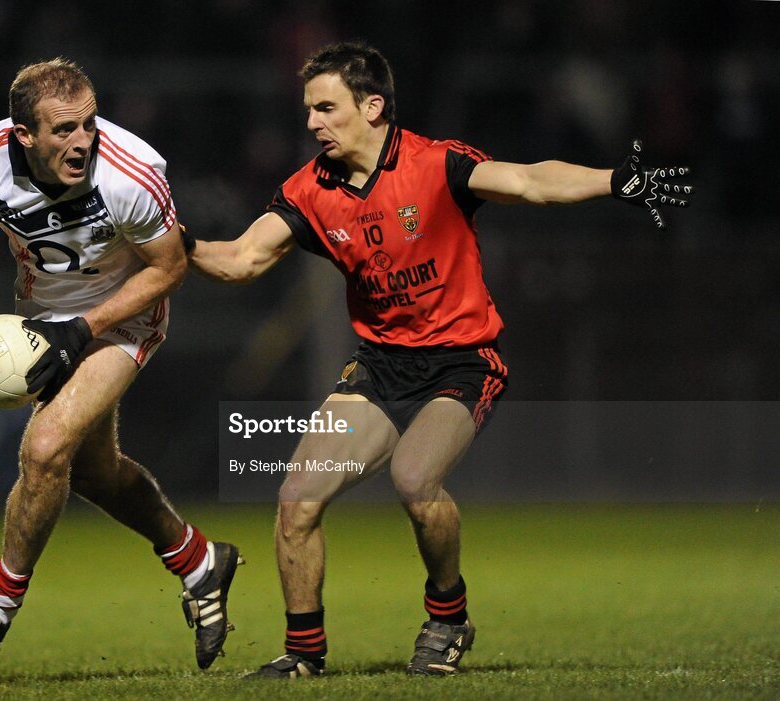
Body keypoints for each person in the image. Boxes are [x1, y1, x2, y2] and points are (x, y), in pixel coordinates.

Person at [189, 42, 691, 678]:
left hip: (461, 363)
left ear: (372, 107)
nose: (312, 122)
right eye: (309, 109)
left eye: (325, 107)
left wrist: (616, 181)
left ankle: (447, 615)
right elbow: (242, 259)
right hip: (380, 368)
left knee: (415, 479)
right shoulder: (310, 189)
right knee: (297, 498)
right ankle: (305, 655)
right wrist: (172, 241)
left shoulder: (434, 164)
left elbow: (530, 181)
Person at [0, 58, 241, 671]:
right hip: (42, 320)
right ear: (24, 135)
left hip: (124, 316)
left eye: (89, 124)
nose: (82, 141)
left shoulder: (132, 174)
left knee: (45, 449)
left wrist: (84, 329)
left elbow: (170, 267)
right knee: (95, 473)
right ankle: (199, 561)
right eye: (64, 130)